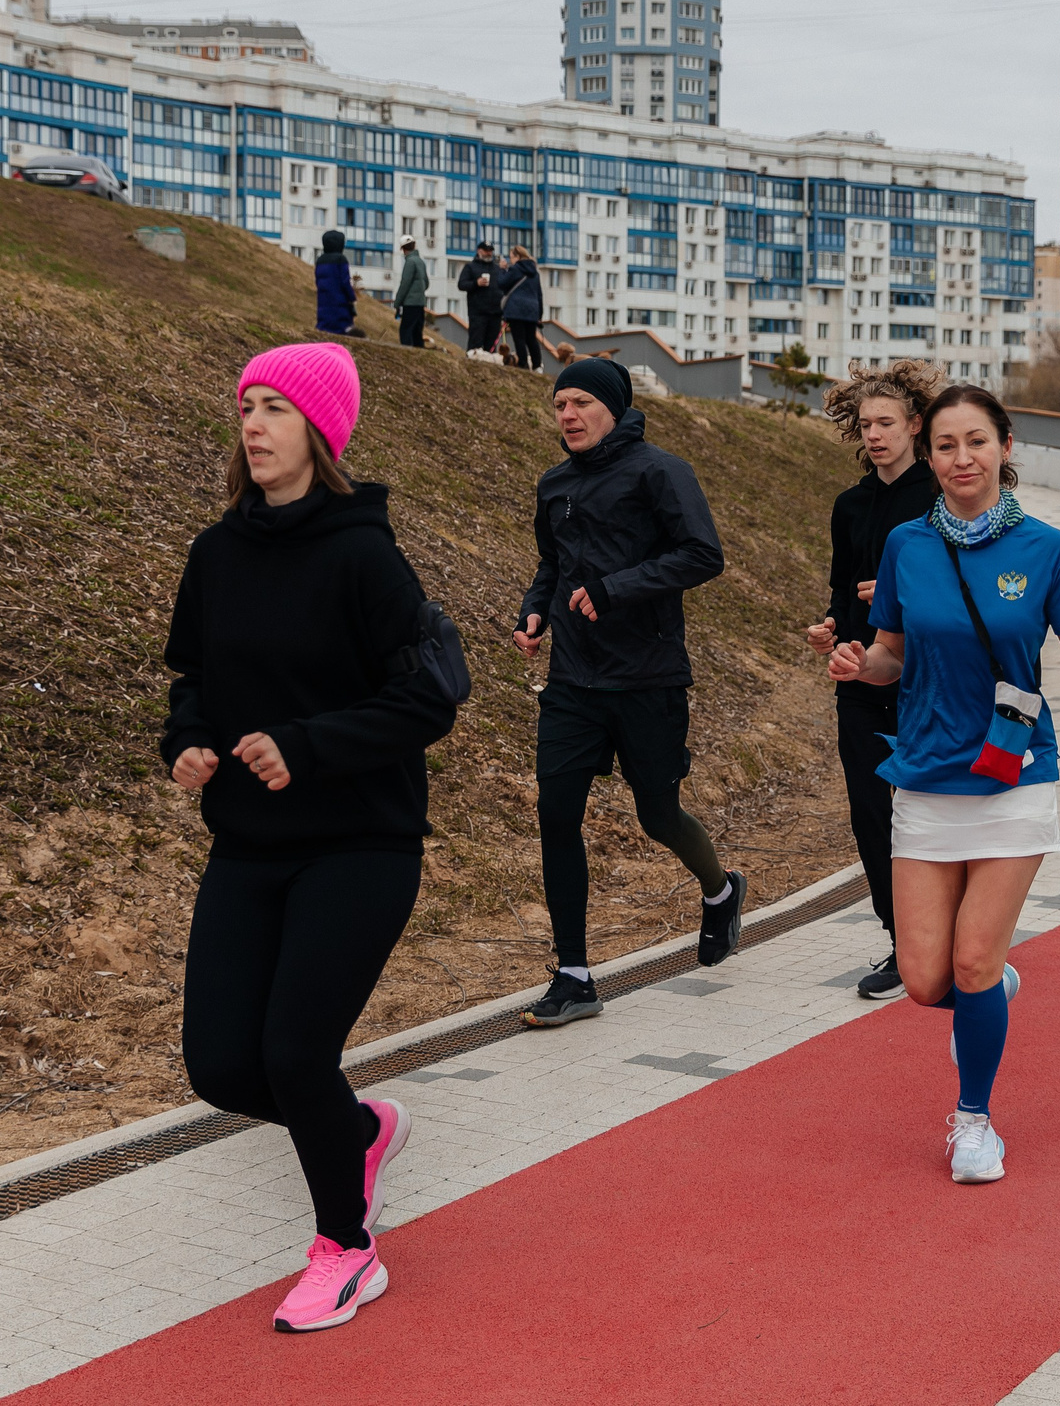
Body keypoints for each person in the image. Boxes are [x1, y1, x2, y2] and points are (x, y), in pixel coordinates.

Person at [161, 343, 460, 1334]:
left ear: (319, 432)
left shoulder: (363, 554)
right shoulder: (216, 554)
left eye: (277, 408)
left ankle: (347, 1249)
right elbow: (195, 683)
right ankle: (360, 1130)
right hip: (248, 843)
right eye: (246, 404)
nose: (253, 424)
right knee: (220, 1067)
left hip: (360, 841)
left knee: (294, 1051)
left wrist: (308, 747)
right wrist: (190, 744)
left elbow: (427, 698)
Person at [827, 386, 1060, 1183]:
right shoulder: (905, 543)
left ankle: (974, 1121)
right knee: (928, 978)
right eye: (945, 445)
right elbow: (891, 652)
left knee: (967, 964)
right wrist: (863, 663)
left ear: (1005, 445)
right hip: (925, 778)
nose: (961, 459)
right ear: (927, 457)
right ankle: (991, 983)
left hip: (1011, 777)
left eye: (976, 441)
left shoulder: (1046, 547)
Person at [511, 358, 743, 1025]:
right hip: (572, 682)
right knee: (556, 814)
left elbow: (704, 554)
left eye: (581, 402)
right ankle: (574, 976)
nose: (568, 415)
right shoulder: (554, 482)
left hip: (647, 677)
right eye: (559, 405)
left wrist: (616, 589)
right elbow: (551, 563)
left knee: (658, 815)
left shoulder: (659, 471)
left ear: (613, 407)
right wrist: (534, 611)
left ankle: (721, 891)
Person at [808, 360, 946, 1000]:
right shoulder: (849, 504)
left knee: (933, 810)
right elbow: (843, 585)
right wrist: (832, 624)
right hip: (861, 673)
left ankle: (952, 926)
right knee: (871, 815)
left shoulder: (943, 497)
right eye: (866, 425)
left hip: (932, 678)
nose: (875, 435)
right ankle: (901, 941)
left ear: (916, 425)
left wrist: (903, 591)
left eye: (887, 422)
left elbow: (966, 586)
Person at [498, 245, 547, 369]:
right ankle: (537, 365)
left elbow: (502, 284)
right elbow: (539, 294)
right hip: (532, 310)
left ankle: (523, 363)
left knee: (519, 338)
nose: (510, 261)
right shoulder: (535, 272)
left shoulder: (515, 269)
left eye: (511, 257)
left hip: (516, 309)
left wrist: (502, 270)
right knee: (531, 338)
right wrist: (539, 314)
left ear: (518, 256)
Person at [458, 241, 506, 356]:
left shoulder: (497, 268)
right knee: (475, 346)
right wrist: (476, 283)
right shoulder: (470, 267)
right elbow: (461, 284)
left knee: (491, 349)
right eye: (486, 251)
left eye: (490, 251)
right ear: (479, 251)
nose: (489, 253)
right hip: (478, 314)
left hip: (495, 314)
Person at [313, 229, 357, 337]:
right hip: (339, 302)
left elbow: (317, 281)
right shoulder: (341, 259)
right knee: (340, 328)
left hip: (323, 300)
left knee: (325, 326)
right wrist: (352, 297)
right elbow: (345, 282)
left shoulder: (320, 260)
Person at [394, 236, 431, 349]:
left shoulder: (410, 262)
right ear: (414, 246)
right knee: (417, 332)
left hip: (410, 303)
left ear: (403, 249)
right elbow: (427, 283)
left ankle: (406, 353)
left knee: (406, 330)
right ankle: (420, 354)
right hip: (420, 302)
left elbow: (405, 284)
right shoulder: (421, 261)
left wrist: (397, 302)